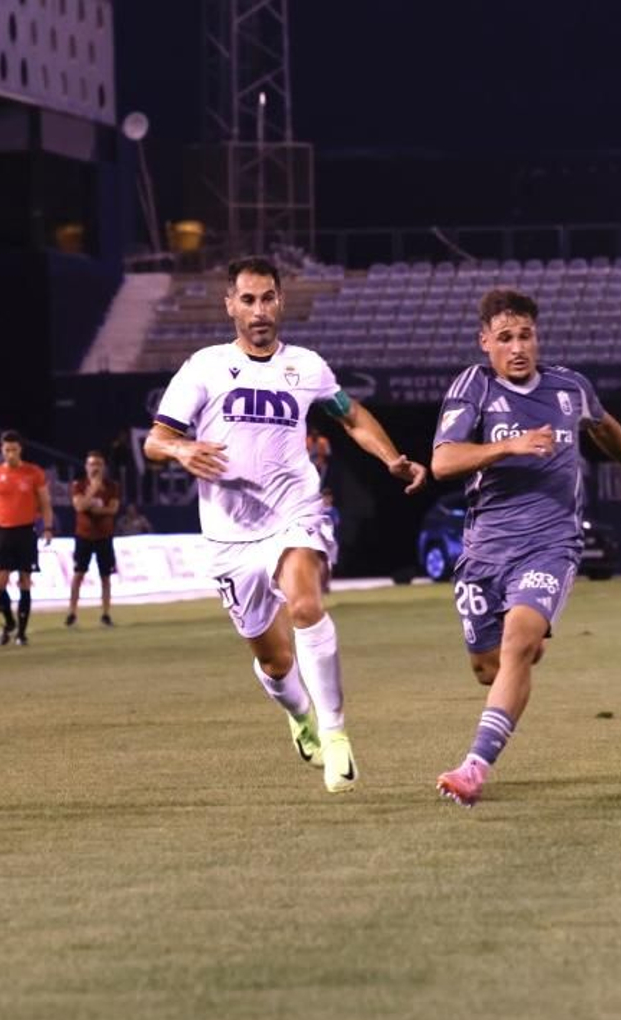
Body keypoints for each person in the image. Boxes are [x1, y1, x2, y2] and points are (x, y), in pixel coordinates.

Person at [144, 255, 428, 796]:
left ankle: (336, 732)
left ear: (281, 301)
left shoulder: (306, 366)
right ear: (230, 305)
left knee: (305, 604)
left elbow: (351, 414)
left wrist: (390, 457)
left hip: (294, 513)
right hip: (230, 538)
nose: (259, 310)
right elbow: (154, 440)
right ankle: (300, 716)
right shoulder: (203, 367)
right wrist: (181, 449)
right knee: (274, 661)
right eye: (247, 299)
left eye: (268, 298)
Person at [429, 288, 621, 808]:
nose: (518, 348)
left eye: (526, 336)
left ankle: (474, 767)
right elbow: (443, 463)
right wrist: (508, 446)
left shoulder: (569, 388)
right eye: (505, 338)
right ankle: (521, 655)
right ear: (485, 343)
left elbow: (606, 430)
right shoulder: (474, 387)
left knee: (519, 643)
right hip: (484, 551)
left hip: (550, 544)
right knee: (490, 667)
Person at [0, 430, 55, 647]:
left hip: (26, 532)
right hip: (3, 532)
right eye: (7, 450)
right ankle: (9, 622)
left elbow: (45, 503)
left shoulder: (34, 473)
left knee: (25, 581)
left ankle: (21, 633)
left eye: (14, 449)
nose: (10, 454)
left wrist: (48, 528)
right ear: (1, 450)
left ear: (20, 449)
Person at [66, 450, 120, 628]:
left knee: (105, 576)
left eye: (98, 464)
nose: (95, 468)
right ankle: (72, 613)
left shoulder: (112, 486)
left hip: (104, 536)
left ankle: (106, 613)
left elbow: (112, 509)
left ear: (103, 467)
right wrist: (93, 491)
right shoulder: (79, 485)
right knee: (78, 574)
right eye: (91, 464)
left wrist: (94, 508)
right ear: (86, 467)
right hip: (84, 535)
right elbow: (79, 506)